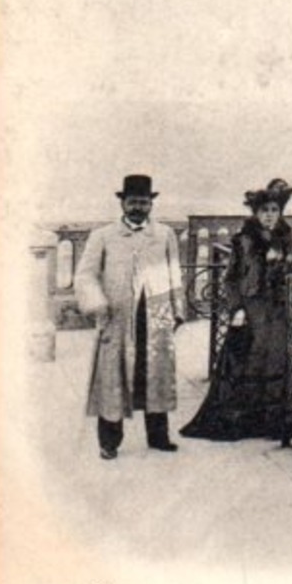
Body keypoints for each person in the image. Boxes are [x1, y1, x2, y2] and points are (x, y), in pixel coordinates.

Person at [74, 174, 185, 460]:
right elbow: (86, 275)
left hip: (155, 316)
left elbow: (174, 272)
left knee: (155, 375)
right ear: (123, 203)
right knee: (112, 376)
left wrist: (177, 309)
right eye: (133, 202)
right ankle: (109, 442)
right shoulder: (103, 236)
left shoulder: (164, 235)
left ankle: (158, 437)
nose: (138, 208)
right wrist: (97, 304)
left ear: (151, 204)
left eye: (144, 203)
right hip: (118, 317)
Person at [181, 180, 292, 443]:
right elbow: (230, 279)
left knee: (277, 359)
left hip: (278, 309)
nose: (270, 215)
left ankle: (272, 420)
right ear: (256, 214)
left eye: (274, 210)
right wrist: (237, 309)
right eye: (265, 211)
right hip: (252, 307)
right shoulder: (243, 240)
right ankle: (244, 420)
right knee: (249, 360)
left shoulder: (289, 239)